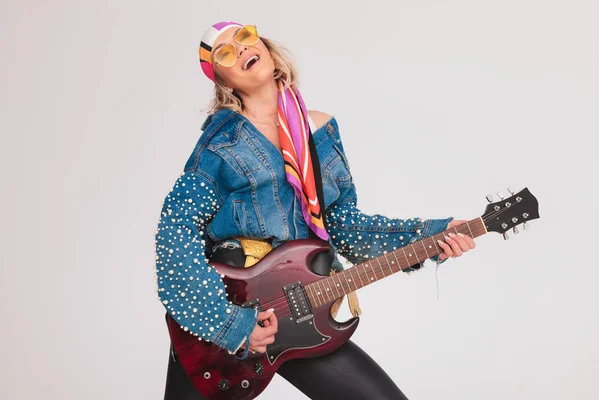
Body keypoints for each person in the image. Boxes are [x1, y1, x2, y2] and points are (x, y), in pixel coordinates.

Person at [155, 21, 476, 400]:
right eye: (224, 52)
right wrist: (231, 325)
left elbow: (343, 225)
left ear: (268, 48)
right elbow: (175, 232)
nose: (240, 50)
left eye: (244, 37)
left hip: (299, 314)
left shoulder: (320, 130)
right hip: (231, 317)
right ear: (222, 80)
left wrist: (431, 236)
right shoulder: (219, 145)